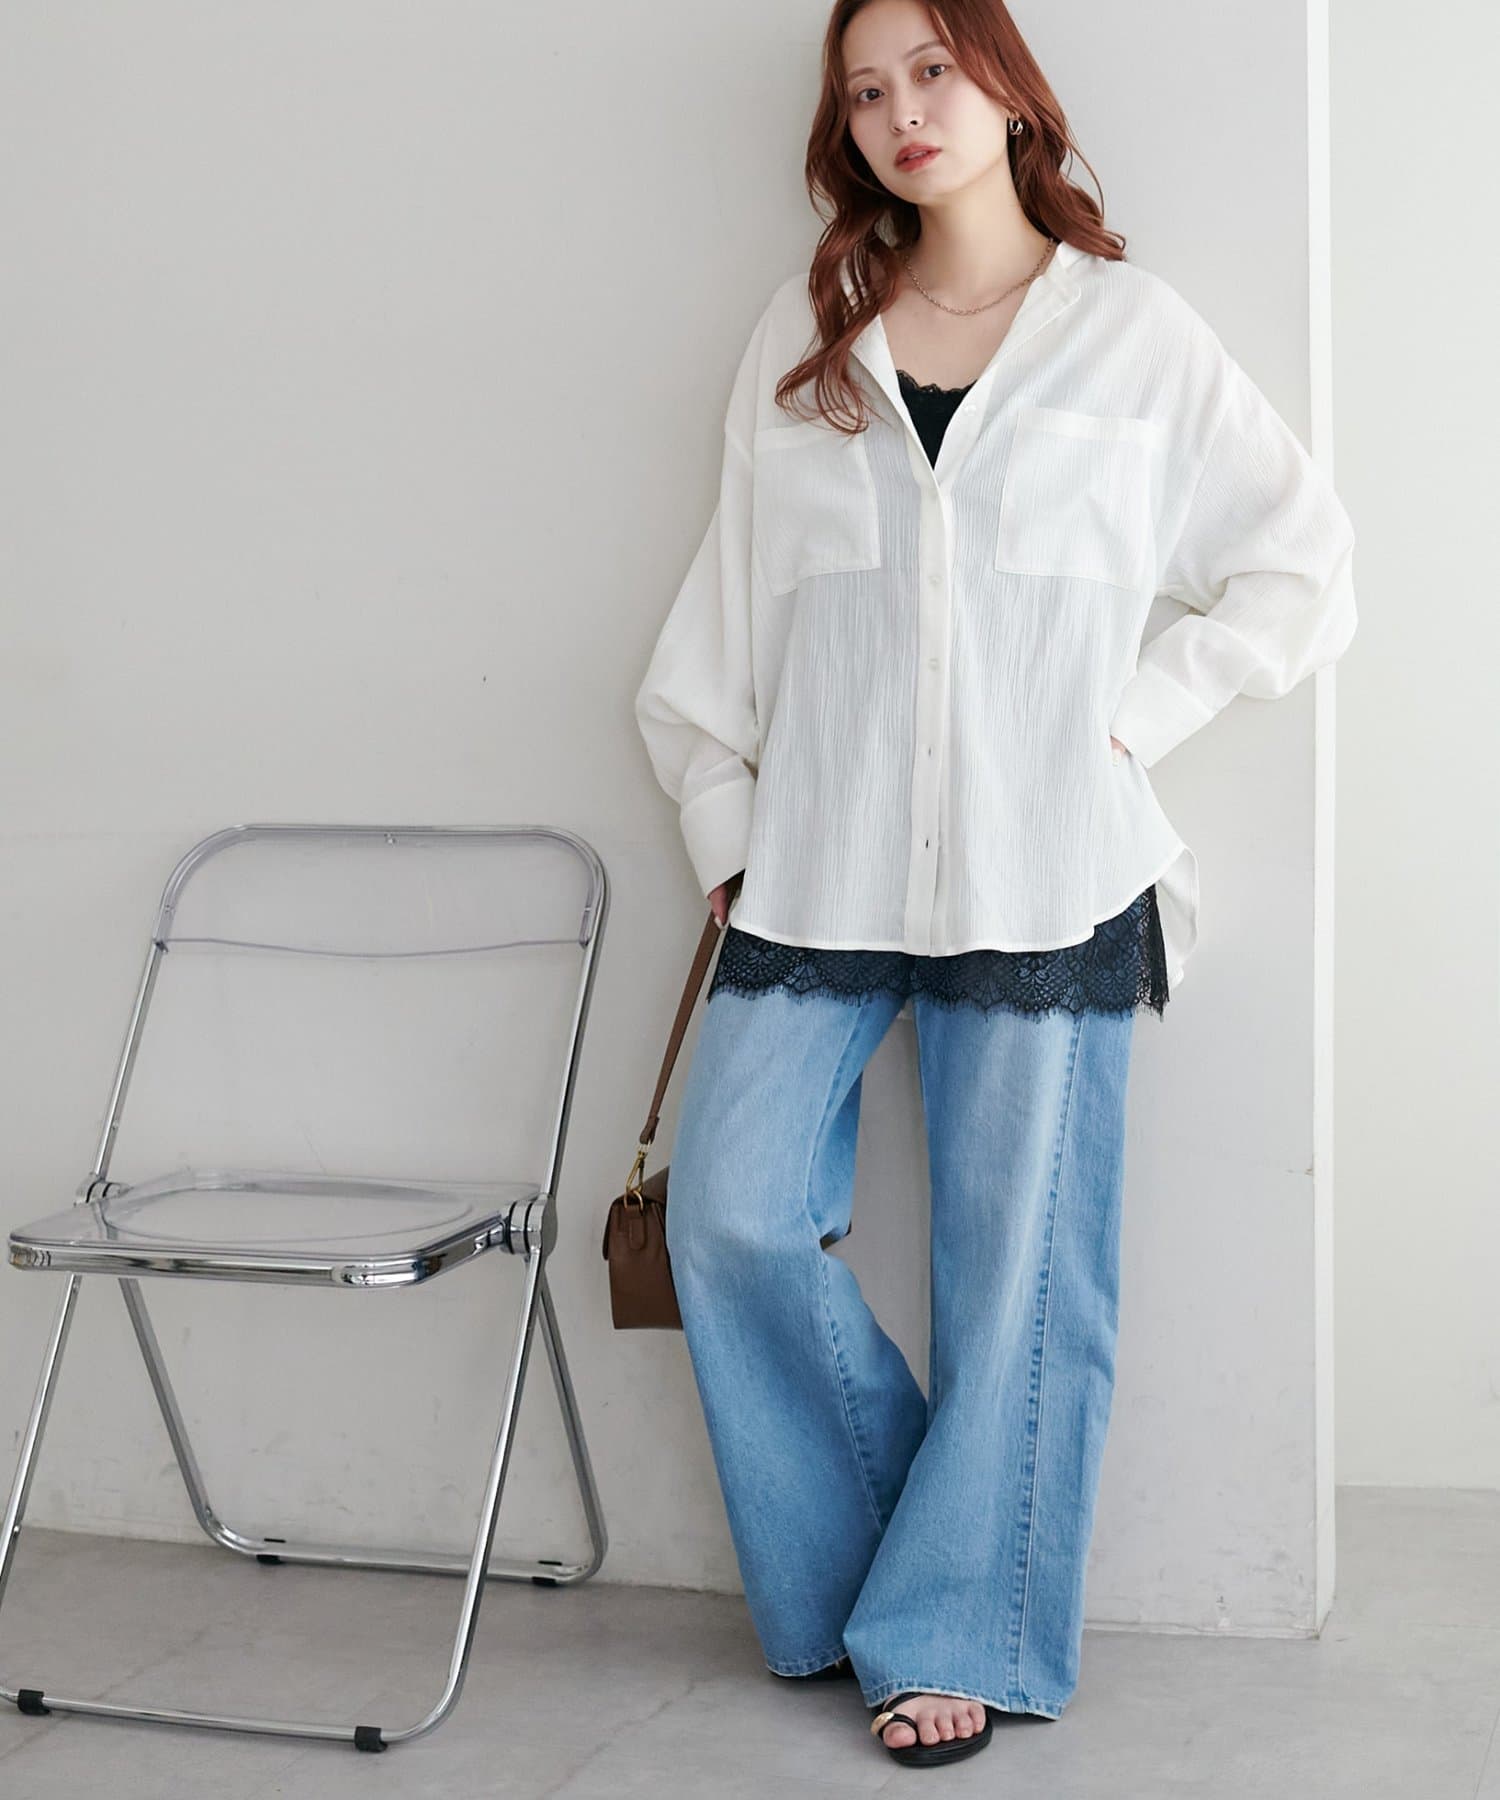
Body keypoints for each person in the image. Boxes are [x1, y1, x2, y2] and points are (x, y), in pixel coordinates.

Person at [633, 0, 1357, 1769]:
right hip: (818, 862)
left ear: (1006, 85)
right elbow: (722, 623)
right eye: (866, 91)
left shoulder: (1134, 333)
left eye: (932, 72)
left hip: (1052, 866)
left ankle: (957, 1626)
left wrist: (1126, 721)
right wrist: (727, 829)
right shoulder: (809, 332)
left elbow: (1304, 567)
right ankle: (905, 1572)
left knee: (1021, 1275)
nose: (901, 112)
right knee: (729, 1214)